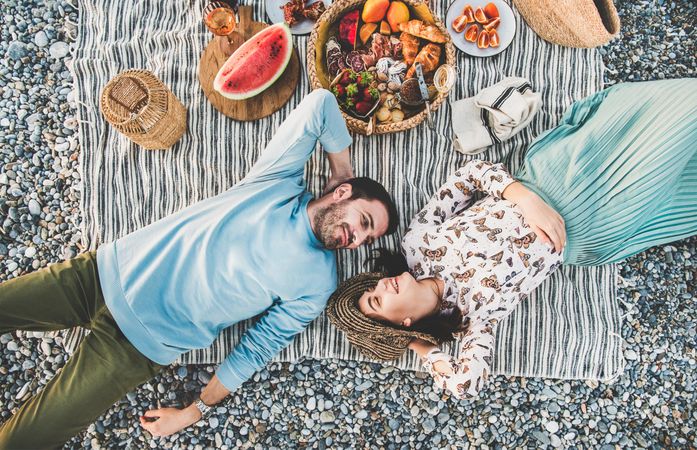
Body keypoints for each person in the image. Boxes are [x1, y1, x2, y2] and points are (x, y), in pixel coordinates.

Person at [0, 89, 399, 448]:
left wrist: (194, 411)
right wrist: (342, 171)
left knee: (25, 439)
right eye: (363, 221)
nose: (357, 238)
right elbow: (321, 104)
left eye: (367, 239)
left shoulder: (318, 283)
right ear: (343, 195)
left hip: (134, 349)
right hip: (98, 276)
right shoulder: (277, 181)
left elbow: (256, 349)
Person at [327, 78, 697, 400]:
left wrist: (521, 196)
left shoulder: (417, 243)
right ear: (401, 323)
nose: (382, 285)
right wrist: (421, 347)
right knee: (672, 170)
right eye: (377, 301)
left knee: (669, 106)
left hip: (549, 177)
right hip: (591, 224)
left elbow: (469, 175)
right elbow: (465, 385)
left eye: (371, 287)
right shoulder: (470, 321)